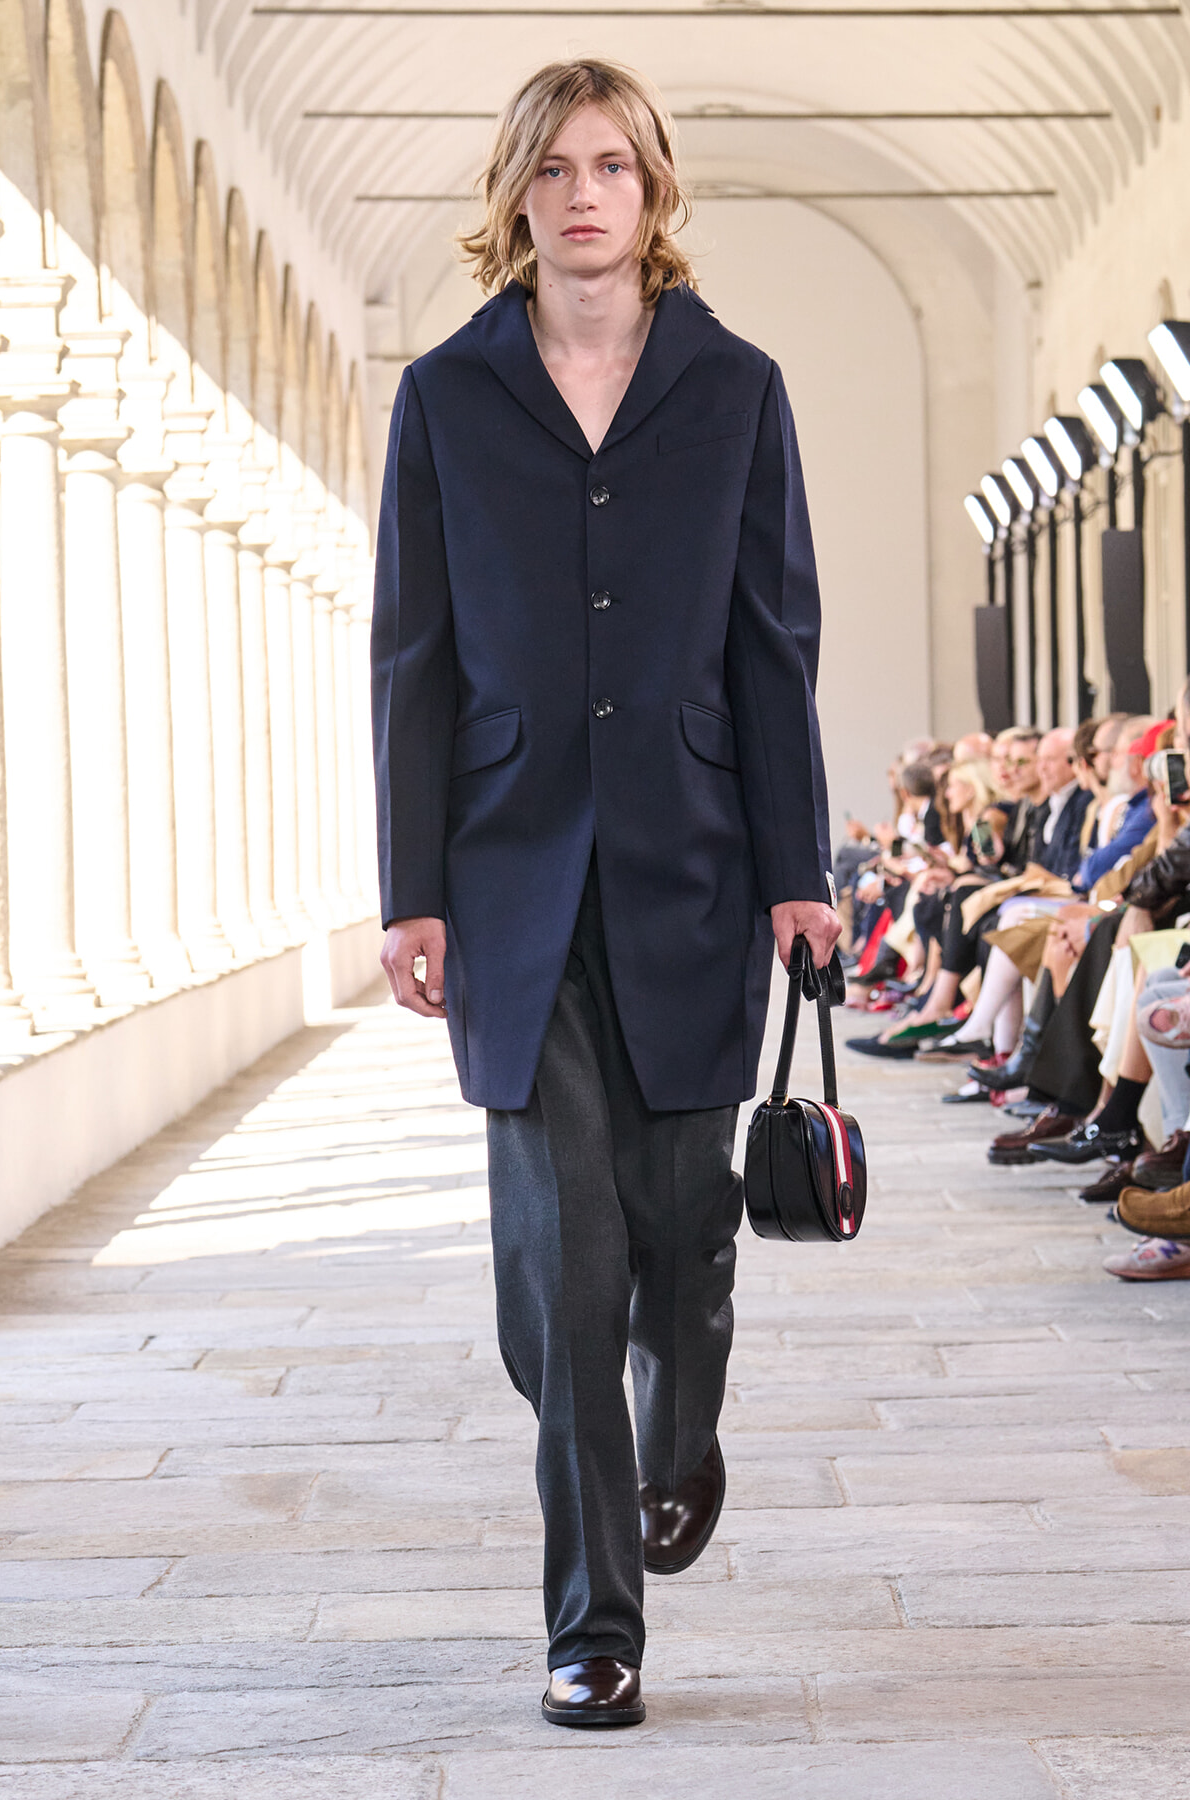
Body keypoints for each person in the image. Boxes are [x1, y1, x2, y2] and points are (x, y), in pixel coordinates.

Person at [370, 57, 840, 1729]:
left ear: (654, 193)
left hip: (695, 868)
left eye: (615, 166)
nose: (584, 194)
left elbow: (771, 646)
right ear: (515, 198)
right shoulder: (446, 397)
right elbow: (412, 655)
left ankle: (681, 1418)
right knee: (557, 1268)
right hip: (506, 882)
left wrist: (800, 870)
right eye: (555, 169)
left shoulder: (737, 389)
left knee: (678, 1238)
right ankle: (594, 1622)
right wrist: (406, 887)